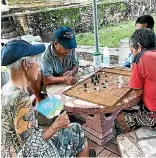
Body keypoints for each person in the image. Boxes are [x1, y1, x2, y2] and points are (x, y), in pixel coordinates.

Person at [1, 40, 89, 157]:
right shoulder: (21, 99)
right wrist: (56, 126)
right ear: (25, 65)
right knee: (77, 130)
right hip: (25, 154)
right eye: (35, 60)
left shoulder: (5, 89)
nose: (38, 65)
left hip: (10, 152)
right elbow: (30, 149)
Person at [117, 28, 156, 132]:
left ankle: (132, 135)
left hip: (153, 117)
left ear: (138, 46)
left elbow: (138, 92)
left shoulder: (140, 57)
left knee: (120, 116)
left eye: (132, 51)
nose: (133, 54)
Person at [30, 26, 79, 102]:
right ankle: (38, 98)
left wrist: (72, 71)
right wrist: (64, 79)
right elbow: (47, 79)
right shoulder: (46, 56)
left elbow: (75, 64)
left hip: (64, 78)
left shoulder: (71, 49)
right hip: (51, 80)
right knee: (38, 75)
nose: (69, 49)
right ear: (56, 43)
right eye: (66, 47)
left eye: (71, 46)